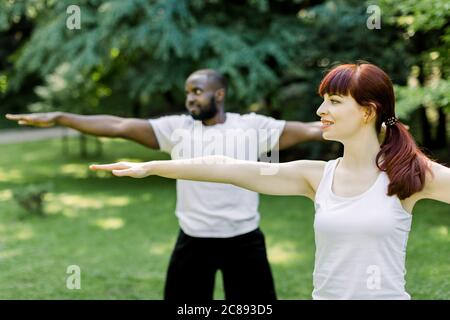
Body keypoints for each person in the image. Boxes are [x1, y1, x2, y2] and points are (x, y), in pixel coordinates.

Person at [90, 63, 450, 300]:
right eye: (323, 101)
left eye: (334, 101)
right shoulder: (315, 176)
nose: (321, 111)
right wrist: (152, 167)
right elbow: (225, 167)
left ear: (368, 111)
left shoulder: (413, 175)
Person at [6, 69, 325, 301]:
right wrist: (63, 117)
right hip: (193, 241)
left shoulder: (253, 127)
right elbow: (118, 126)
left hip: (243, 242)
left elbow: (313, 130)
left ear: (219, 94)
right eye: (187, 92)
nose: (189, 99)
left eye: (197, 91)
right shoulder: (175, 129)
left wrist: (372, 127)